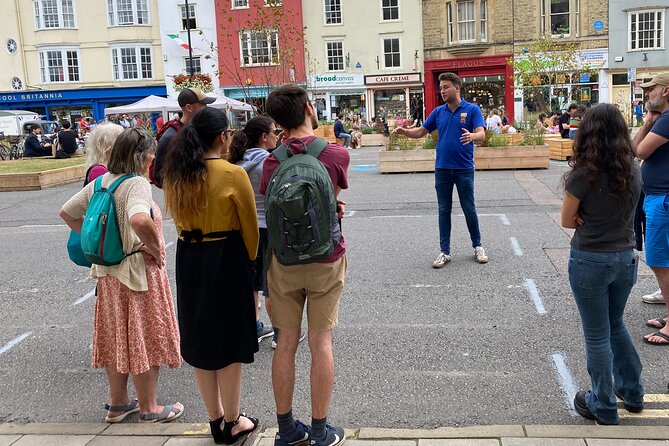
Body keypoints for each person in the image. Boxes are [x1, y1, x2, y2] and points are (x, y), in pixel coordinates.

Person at [59, 128, 183, 424]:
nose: (154, 157)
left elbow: (67, 213)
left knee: (117, 336)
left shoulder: (101, 181)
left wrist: (106, 242)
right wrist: (154, 248)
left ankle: (118, 404)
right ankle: (149, 408)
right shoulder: (137, 184)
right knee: (145, 336)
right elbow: (139, 218)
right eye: (151, 152)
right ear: (140, 156)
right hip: (137, 273)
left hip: (109, 273)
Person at [161, 107, 260, 444]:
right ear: (222, 137)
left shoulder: (176, 174)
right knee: (231, 342)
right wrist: (250, 266)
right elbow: (250, 229)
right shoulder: (233, 174)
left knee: (201, 338)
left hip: (189, 256)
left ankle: (215, 420)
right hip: (226, 255)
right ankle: (234, 421)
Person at [259, 84, 349, 446]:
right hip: (325, 258)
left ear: (278, 121)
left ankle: (285, 429)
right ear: (310, 109)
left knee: (285, 344)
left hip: (283, 261)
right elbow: (332, 200)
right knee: (321, 342)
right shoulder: (336, 155)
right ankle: (319, 429)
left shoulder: (270, 162)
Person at [561, 103, 644, 425]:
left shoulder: (584, 173)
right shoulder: (633, 169)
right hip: (625, 258)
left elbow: (568, 219)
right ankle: (633, 392)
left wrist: (586, 216)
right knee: (616, 324)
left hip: (590, 258)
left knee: (596, 334)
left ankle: (603, 404)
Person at [393, 72, 489, 267]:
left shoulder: (471, 110)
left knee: (468, 208)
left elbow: (482, 134)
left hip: (463, 169)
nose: (442, 91)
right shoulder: (438, 112)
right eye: (441, 87)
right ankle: (444, 252)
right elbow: (421, 131)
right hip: (442, 169)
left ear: (457, 88)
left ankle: (477, 246)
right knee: (444, 210)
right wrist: (404, 131)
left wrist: (472, 136)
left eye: (446, 87)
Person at [227, 116, 277, 346]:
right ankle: (280, 331)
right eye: (274, 132)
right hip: (268, 225)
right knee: (273, 283)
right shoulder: (268, 162)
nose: (277, 136)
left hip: (245, 227)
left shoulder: (236, 161)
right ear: (263, 137)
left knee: (251, 281)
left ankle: (253, 326)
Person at [631, 72, 669, 344]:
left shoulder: (667, 121)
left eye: (651, 89)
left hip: (663, 199)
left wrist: (647, 124)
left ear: (666, 91)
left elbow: (640, 151)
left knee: (660, 261)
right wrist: (647, 123)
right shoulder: (662, 120)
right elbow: (636, 148)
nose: (647, 94)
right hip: (658, 197)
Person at [151, 87, 215, 188]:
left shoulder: (199, 130)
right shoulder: (170, 136)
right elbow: (158, 175)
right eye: (203, 105)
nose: (206, 108)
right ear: (189, 107)